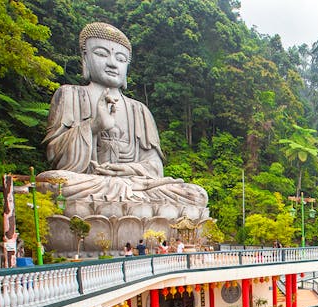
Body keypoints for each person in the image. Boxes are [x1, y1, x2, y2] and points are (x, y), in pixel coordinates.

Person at [37, 22, 208, 216]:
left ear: (126, 66)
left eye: (120, 58)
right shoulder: (70, 95)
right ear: (85, 58)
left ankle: (129, 204)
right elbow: (54, 156)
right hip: (89, 182)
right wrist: (94, 126)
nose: (112, 63)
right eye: (101, 54)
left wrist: (125, 170)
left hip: (136, 185)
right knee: (55, 184)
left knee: (196, 194)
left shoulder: (140, 110)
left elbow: (155, 168)